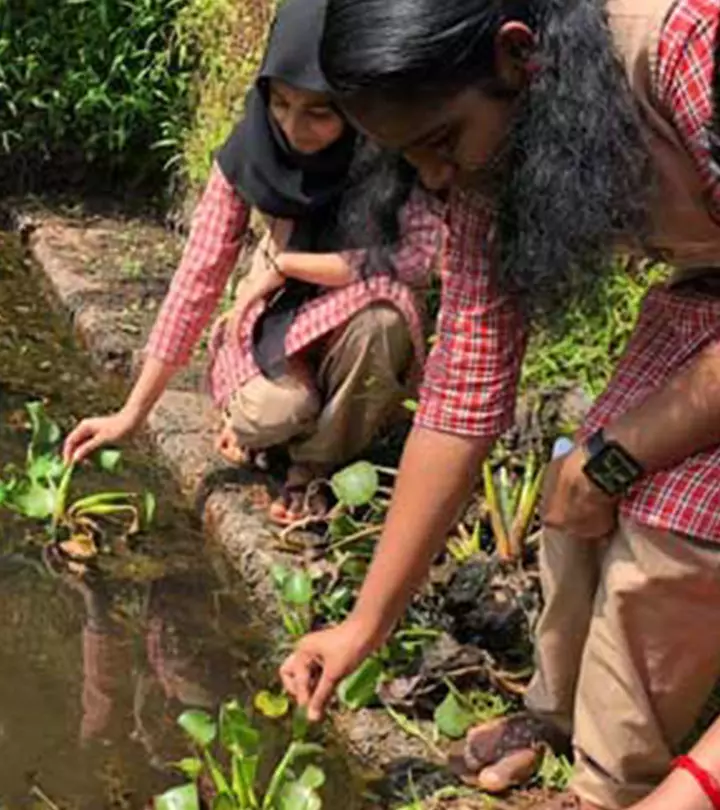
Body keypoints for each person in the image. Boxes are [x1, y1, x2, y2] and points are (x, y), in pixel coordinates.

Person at [279, 0, 720, 808]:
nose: (438, 177)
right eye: (412, 161)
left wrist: (627, 452)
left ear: (519, 56)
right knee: (572, 494)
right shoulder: (488, 153)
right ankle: (556, 719)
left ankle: (609, 785)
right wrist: (365, 624)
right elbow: (464, 388)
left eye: (442, 143)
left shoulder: (688, 44)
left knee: (674, 520)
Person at [63, 0, 442, 524]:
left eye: (319, 111)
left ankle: (313, 466)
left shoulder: (393, 148)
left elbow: (419, 262)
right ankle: (270, 423)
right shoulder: (252, 148)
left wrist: (292, 264)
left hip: (352, 312)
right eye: (280, 103)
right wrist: (131, 413)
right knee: (272, 414)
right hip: (277, 311)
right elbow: (198, 276)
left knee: (384, 322)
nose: (293, 127)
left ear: (357, 104)